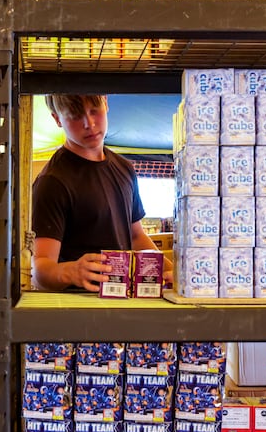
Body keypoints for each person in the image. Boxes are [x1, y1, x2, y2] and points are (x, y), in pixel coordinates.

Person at [31, 94, 172, 292]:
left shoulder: (125, 168)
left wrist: (172, 272)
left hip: (122, 302)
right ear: (57, 119)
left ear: (105, 102)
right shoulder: (52, 181)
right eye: (74, 115)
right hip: (76, 309)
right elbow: (40, 269)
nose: (88, 123)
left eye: (94, 111)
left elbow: (136, 236)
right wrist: (70, 272)